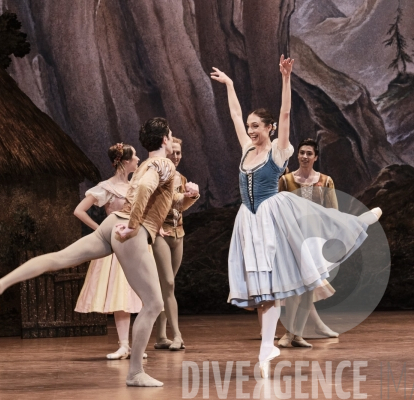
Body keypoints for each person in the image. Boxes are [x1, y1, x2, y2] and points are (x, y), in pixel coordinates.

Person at [0, 117, 199, 387]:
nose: (172, 141)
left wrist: (190, 197)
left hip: (113, 224)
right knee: (155, 303)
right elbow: (146, 190)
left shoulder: (149, 164)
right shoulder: (164, 163)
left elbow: (168, 208)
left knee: (59, 258)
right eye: (170, 136)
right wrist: (134, 227)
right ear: (164, 140)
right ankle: (135, 372)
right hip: (131, 232)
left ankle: (1, 284)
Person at [211, 56, 381, 378]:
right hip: (248, 220)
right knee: (263, 290)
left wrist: (286, 79)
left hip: (272, 216)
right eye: (249, 127)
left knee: (286, 270)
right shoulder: (247, 150)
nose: (251, 131)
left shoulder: (278, 151)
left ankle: (359, 222)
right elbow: (233, 113)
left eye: (256, 126)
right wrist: (231, 86)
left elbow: (286, 112)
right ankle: (267, 347)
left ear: (269, 128)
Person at [74, 143, 147, 360]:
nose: (137, 159)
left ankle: (137, 344)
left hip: (137, 244)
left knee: (141, 294)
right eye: (134, 156)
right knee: (120, 294)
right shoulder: (107, 187)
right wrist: (102, 230)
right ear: (125, 161)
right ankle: (124, 344)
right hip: (117, 246)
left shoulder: (137, 185)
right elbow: (79, 210)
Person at [276, 138, 340, 345]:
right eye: (302, 152)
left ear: (315, 157)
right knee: (296, 287)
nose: (304, 156)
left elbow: (333, 212)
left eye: (309, 153)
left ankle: (298, 334)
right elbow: (278, 211)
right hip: (292, 241)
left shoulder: (326, 181)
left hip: (315, 242)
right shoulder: (286, 181)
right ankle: (288, 334)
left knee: (309, 288)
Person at [153, 137, 200, 351]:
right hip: (160, 233)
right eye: (173, 152)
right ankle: (178, 335)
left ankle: (162, 336)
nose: (176, 156)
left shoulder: (181, 177)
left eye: (179, 152)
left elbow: (179, 207)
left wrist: (192, 196)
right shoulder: (157, 175)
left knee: (167, 286)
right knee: (168, 284)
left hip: (178, 233)